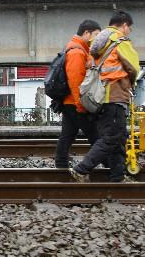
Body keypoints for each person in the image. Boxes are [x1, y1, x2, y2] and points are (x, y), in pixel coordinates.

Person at [70, 11, 140, 183]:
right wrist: (131, 82)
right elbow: (134, 68)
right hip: (115, 96)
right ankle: (81, 169)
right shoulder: (120, 41)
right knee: (110, 139)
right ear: (124, 25)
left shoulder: (97, 42)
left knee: (118, 139)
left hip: (100, 98)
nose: (129, 31)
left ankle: (118, 176)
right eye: (129, 28)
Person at [54, 20, 102, 169]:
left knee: (67, 135)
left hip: (70, 102)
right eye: (96, 35)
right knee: (96, 136)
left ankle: (61, 166)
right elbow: (76, 81)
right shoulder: (76, 51)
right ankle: (109, 164)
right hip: (75, 103)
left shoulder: (79, 49)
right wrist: (81, 105)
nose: (97, 39)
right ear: (86, 33)